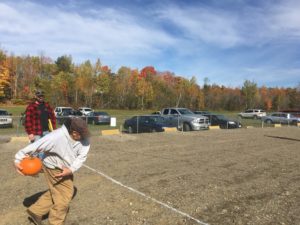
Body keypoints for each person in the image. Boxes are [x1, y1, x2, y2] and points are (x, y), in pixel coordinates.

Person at [14, 117, 91, 225]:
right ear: (74, 132)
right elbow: (34, 146)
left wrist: (71, 169)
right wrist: (18, 159)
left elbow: (82, 156)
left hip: (66, 169)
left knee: (57, 191)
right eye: (82, 134)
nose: (85, 136)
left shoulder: (85, 138)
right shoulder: (55, 137)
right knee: (64, 198)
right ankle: (55, 223)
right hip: (53, 167)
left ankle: (36, 211)